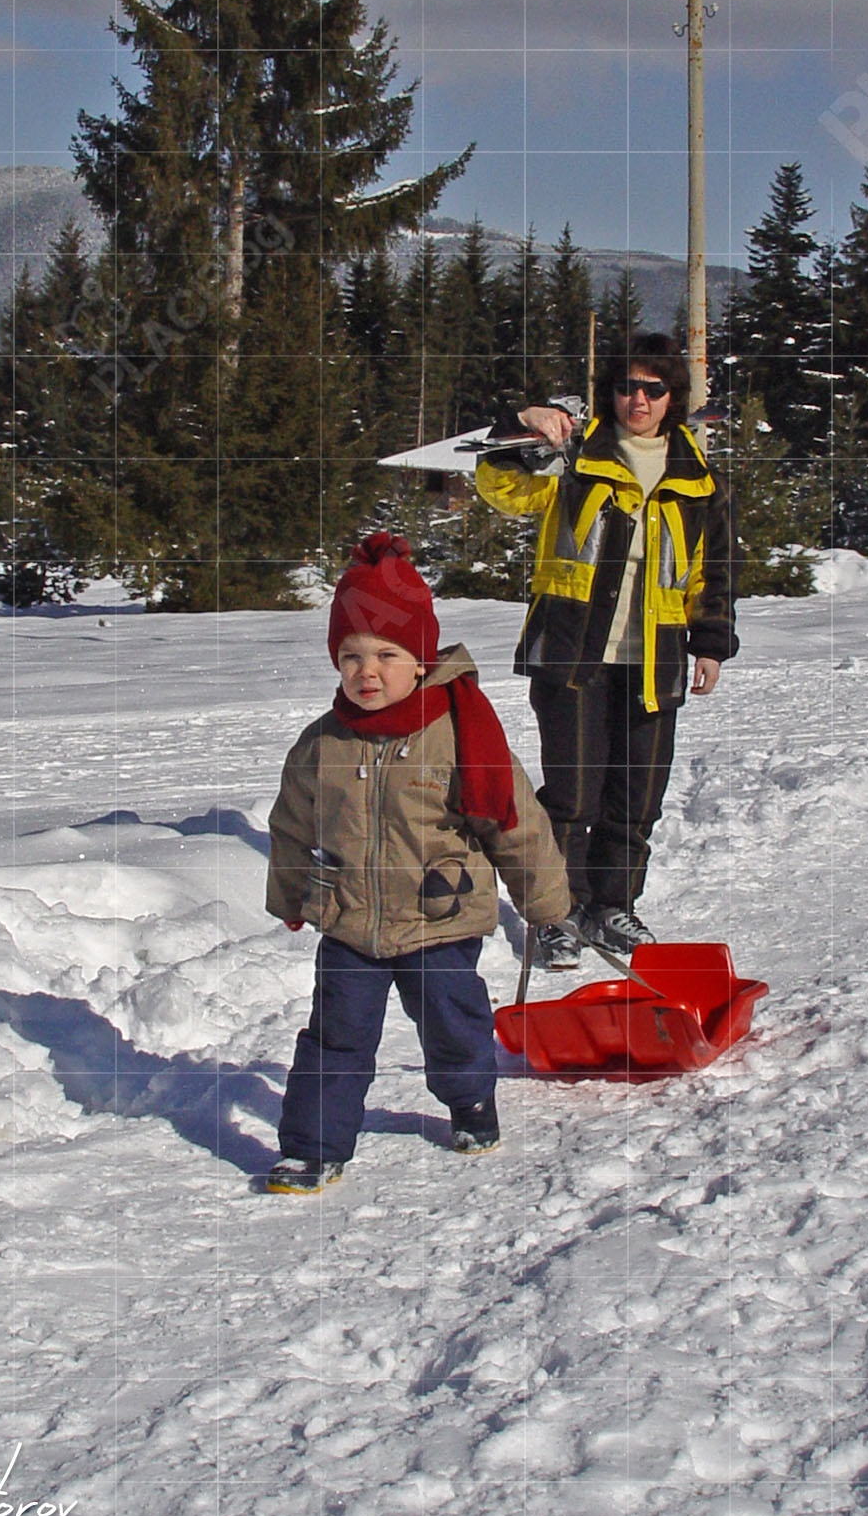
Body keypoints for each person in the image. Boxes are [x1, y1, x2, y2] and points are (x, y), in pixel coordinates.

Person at [264, 530, 573, 1194]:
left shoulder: (461, 737)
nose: (365, 671)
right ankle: (313, 1147)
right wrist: (289, 893)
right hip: (350, 920)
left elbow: (515, 825)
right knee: (335, 1036)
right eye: (349, 655)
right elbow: (291, 823)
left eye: (385, 653)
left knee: (450, 1022)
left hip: (441, 915)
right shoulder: (323, 743)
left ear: (420, 660)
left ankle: (469, 1102)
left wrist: (545, 906)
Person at [476, 332, 739, 966]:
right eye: (626, 387)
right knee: (572, 796)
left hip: (656, 657)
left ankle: (612, 906)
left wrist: (710, 644)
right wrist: (518, 420)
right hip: (572, 654)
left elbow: (714, 569)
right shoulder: (572, 459)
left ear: (672, 397)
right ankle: (557, 912)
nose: (638, 400)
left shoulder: (697, 479)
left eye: (653, 388)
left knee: (637, 795)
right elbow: (497, 483)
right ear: (610, 394)